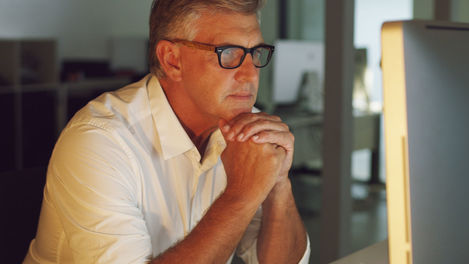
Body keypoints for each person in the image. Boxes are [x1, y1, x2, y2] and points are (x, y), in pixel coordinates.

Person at [24, 0, 310, 263]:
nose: (250, 74)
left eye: (255, 52)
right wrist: (241, 196)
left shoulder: (249, 129)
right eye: (229, 53)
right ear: (172, 60)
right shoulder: (99, 141)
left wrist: (278, 184)